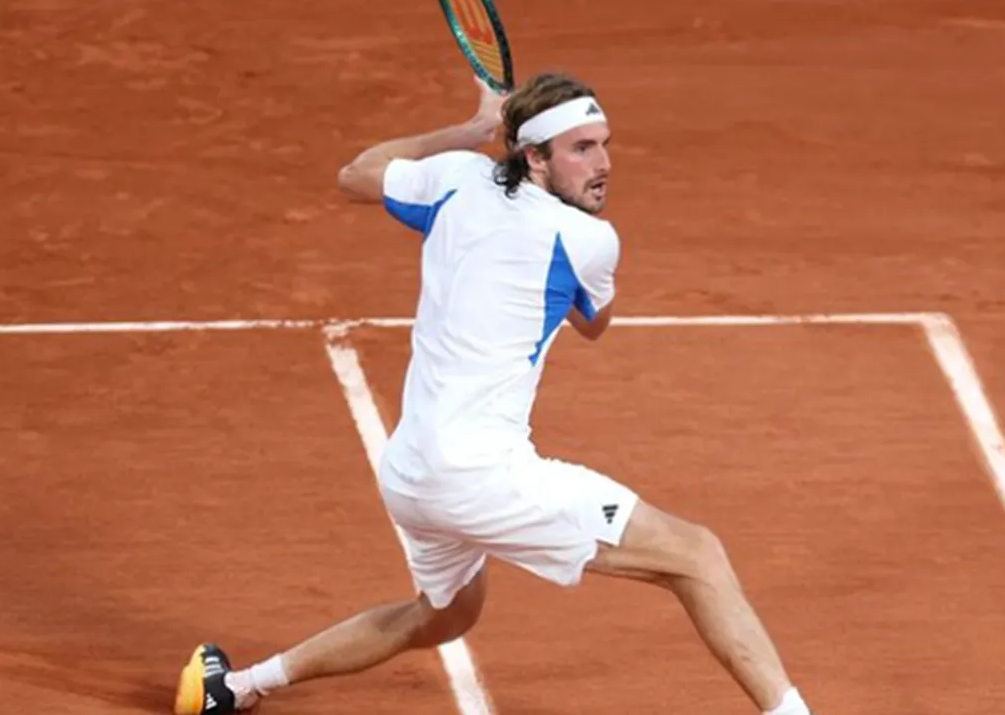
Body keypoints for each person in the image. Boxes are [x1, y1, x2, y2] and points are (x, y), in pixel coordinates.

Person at [172, 71, 815, 715]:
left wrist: (470, 132)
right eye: (581, 149)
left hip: (411, 474)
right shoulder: (589, 241)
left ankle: (236, 687)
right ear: (534, 157)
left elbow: (357, 173)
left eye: (604, 144)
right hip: (481, 477)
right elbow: (593, 324)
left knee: (443, 618)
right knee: (696, 555)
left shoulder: (454, 178)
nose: (603, 165)